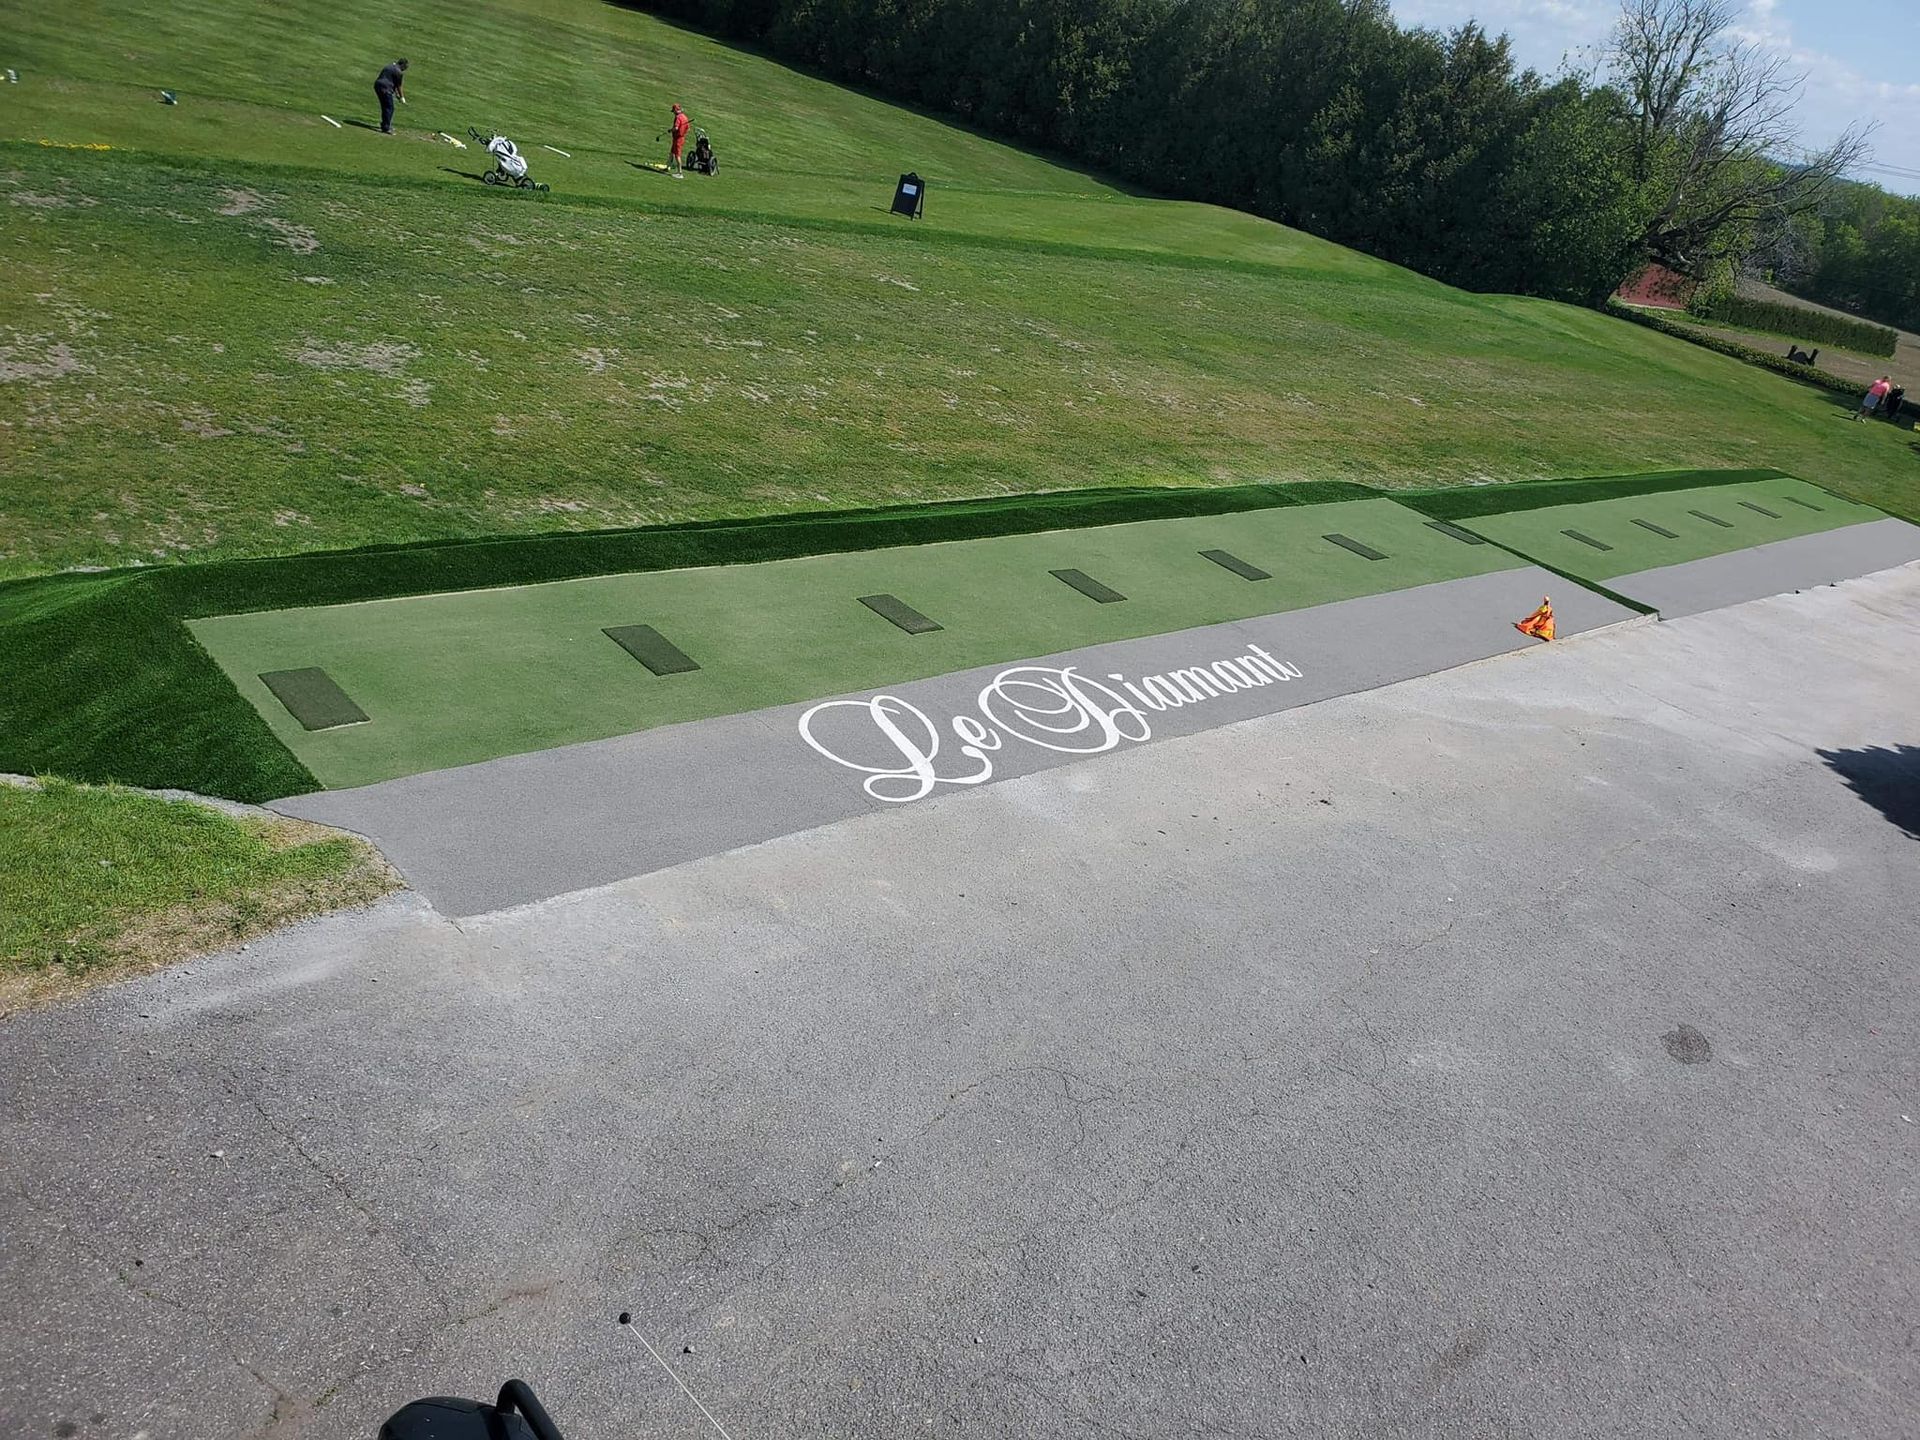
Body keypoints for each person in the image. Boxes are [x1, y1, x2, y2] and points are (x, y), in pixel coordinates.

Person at [374, 58, 408, 134]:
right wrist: (402, 97)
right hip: (386, 89)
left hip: (378, 86)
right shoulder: (398, 72)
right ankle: (386, 128)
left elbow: (392, 82)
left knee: (385, 107)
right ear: (402, 65)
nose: (405, 69)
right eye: (405, 67)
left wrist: (396, 95)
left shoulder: (389, 66)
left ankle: (385, 125)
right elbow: (399, 86)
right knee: (389, 108)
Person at [667, 102, 690, 177]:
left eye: (673, 111)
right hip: (680, 138)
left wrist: (671, 130)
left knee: (677, 155)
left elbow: (676, 128)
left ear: (676, 110)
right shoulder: (685, 117)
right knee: (671, 153)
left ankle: (680, 173)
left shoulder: (678, 117)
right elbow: (688, 129)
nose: (673, 113)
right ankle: (668, 167)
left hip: (678, 139)